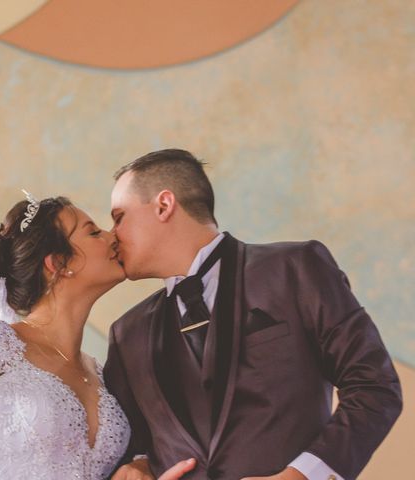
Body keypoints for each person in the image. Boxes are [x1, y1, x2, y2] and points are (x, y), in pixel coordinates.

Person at [0, 151, 197, 479]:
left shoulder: (103, 374)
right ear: (59, 264)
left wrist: (139, 466)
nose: (112, 236)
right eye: (93, 232)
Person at [104, 149, 403, 480]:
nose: (112, 236)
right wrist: (137, 464)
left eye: (119, 217)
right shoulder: (126, 333)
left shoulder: (295, 269)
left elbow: (374, 386)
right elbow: (131, 443)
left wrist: (304, 475)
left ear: (164, 205)